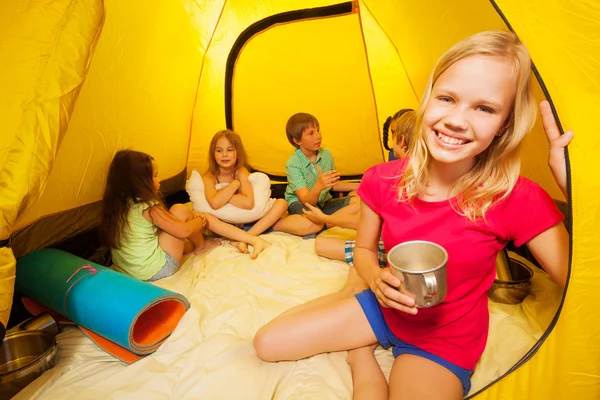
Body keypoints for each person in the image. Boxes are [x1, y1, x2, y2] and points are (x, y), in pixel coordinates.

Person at [253, 30, 572, 400]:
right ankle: (360, 352)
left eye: (484, 108)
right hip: (386, 309)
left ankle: (361, 348)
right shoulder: (381, 179)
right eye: (447, 98)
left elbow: (584, 286)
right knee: (266, 344)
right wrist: (375, 280)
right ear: (428, 100)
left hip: (444, 339)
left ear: (505, 124)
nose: (456, 120)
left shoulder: (517, 197)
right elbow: (367, 253)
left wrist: (573, 190)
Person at [99, 150, 271, 282]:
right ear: (141, 182)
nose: (160, 179)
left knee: (180, 219)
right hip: (157, 270)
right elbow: (183, 231)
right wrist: (199, 219)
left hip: (128, 269)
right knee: (181, 210)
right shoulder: (149, 208)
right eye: (155, 175)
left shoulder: (118, 206)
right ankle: (251, 239)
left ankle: (206, 243)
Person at [309, 110, 416, 264]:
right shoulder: (425, 170)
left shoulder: (386, 175)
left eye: (394, 133)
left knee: (322, 244)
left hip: (395, 249)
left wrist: (324, 219)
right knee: (356, 198)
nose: (318, 136)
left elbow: (364, 223)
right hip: (411, 243)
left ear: (402, 139)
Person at [272, 113, 360, 237]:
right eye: (311, 133)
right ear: (297, 140)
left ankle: (323, 221)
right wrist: (319, 185)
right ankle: (277, 224)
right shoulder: (293, 164)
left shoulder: (326, 154)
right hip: (301, 203)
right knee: (312, 224)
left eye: (318, 131)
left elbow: (333, 185)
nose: (318, 136)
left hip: (324, 202)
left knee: (361, 204)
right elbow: (306, 200)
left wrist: (360, 185)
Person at [202, 129, 288, 253]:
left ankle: (244, 238)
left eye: (229, 150)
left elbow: (248, 203)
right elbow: (215, 203)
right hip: (226, 225)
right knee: (205, 218)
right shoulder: (209, 178)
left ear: (238, 153)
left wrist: (224, 196)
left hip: (249, 221)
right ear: (213, 154)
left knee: (282, 203)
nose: (224, 154)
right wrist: (233, 186)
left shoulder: (241, 171)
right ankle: (245, 236)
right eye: (219, 150)